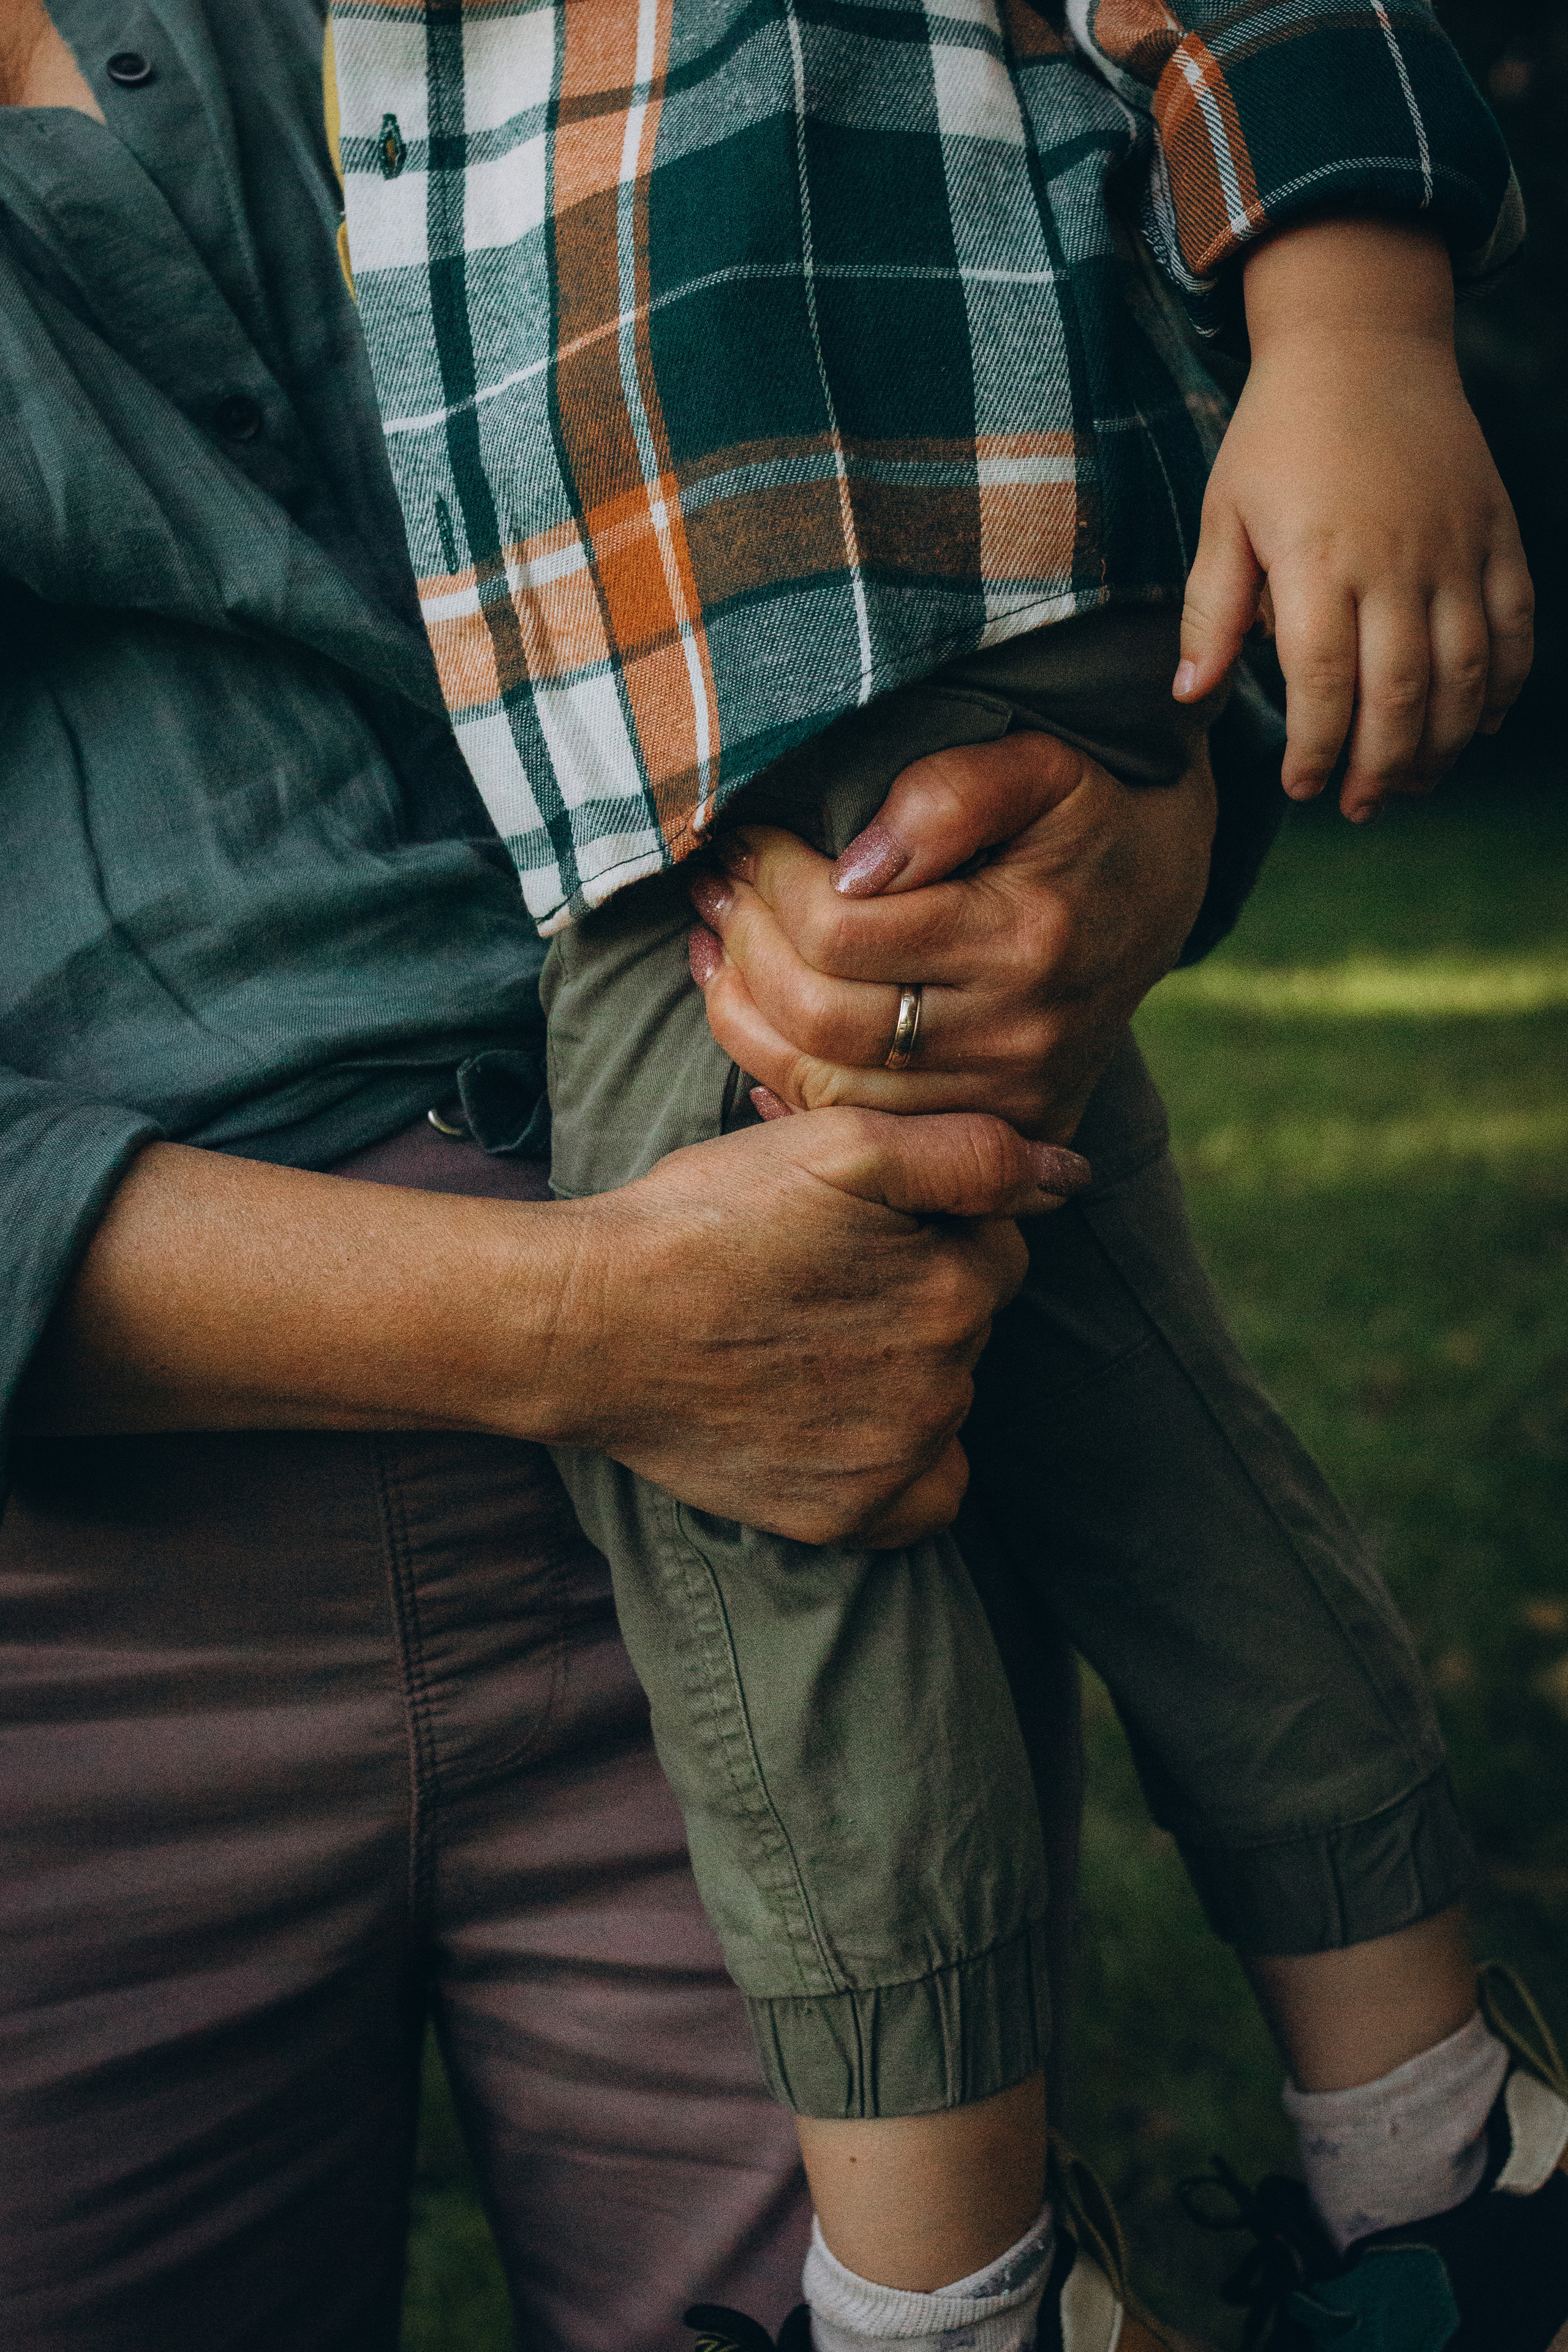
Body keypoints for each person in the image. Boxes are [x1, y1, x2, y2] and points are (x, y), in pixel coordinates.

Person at [330, 4, 1567, 2351]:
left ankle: (946, 2309)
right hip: (671, 729)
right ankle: (1450, 2162)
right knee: (1130, 1422)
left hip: (879, 595)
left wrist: (1355, 328)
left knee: (787, 1486)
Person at [0, 7, 1200, 2350]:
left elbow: (967, 384)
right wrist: (606, 1330)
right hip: (81, 1655)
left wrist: (1130, 813)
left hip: (810, 1484)